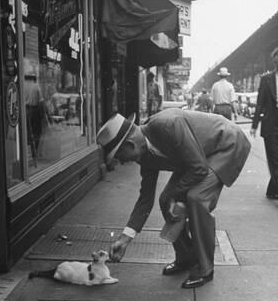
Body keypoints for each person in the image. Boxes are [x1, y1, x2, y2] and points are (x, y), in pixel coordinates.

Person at [96, 109, 251, 288]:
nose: (122, 162)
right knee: (165, 200)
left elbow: (199, 168)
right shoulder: (144, 156)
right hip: (197, 157)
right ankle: (186, 257)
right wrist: (125, 238)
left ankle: (205, 267)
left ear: (130, 145)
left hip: (225, 144)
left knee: (196, 198)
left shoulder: (169, 125)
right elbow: (145, 199)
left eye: (119, 157)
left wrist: (176, 197)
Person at [250, 47, 278, 208]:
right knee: (275, 160)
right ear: (275, 62)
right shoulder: (266, 79)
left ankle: (272, 189)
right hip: (271, 125)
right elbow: (259, 104)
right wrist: (254, 125)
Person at [24, 73, 45, 154]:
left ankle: (26, 152)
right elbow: (41, 101)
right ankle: (34, 152)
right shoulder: (35, 86)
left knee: (26, 131)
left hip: (24, 111)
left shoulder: (22, 85)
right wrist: (43, 114)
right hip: (34, 110)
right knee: (36, 132)